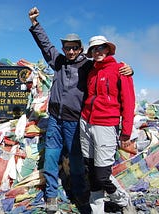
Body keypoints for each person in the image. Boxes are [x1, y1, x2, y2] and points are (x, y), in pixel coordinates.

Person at [28, 7, 133, 213]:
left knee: (76, 163)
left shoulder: (88, 66)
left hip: (75, 123)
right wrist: (35, 24)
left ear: (80, 49)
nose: (71, 51)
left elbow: (108, 69)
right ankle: (51, 196)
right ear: (64, 48)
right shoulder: (58, 62)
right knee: (50, 157)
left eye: (75, 48)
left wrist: (129, 70)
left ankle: (80, 194)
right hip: (55, 121)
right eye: (67, 48)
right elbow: (45, 45)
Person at [79, 35, 135, 213]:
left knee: (102, 175)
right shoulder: (92, 71)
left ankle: (123, 199)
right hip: (85, 123)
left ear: (108, 49)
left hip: (106, 125)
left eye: (101, 47)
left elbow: (129, 101)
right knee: (91, 169)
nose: (97, 51)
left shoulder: (120, 70)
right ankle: (97, 209)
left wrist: (125, 131)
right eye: (94, 49)